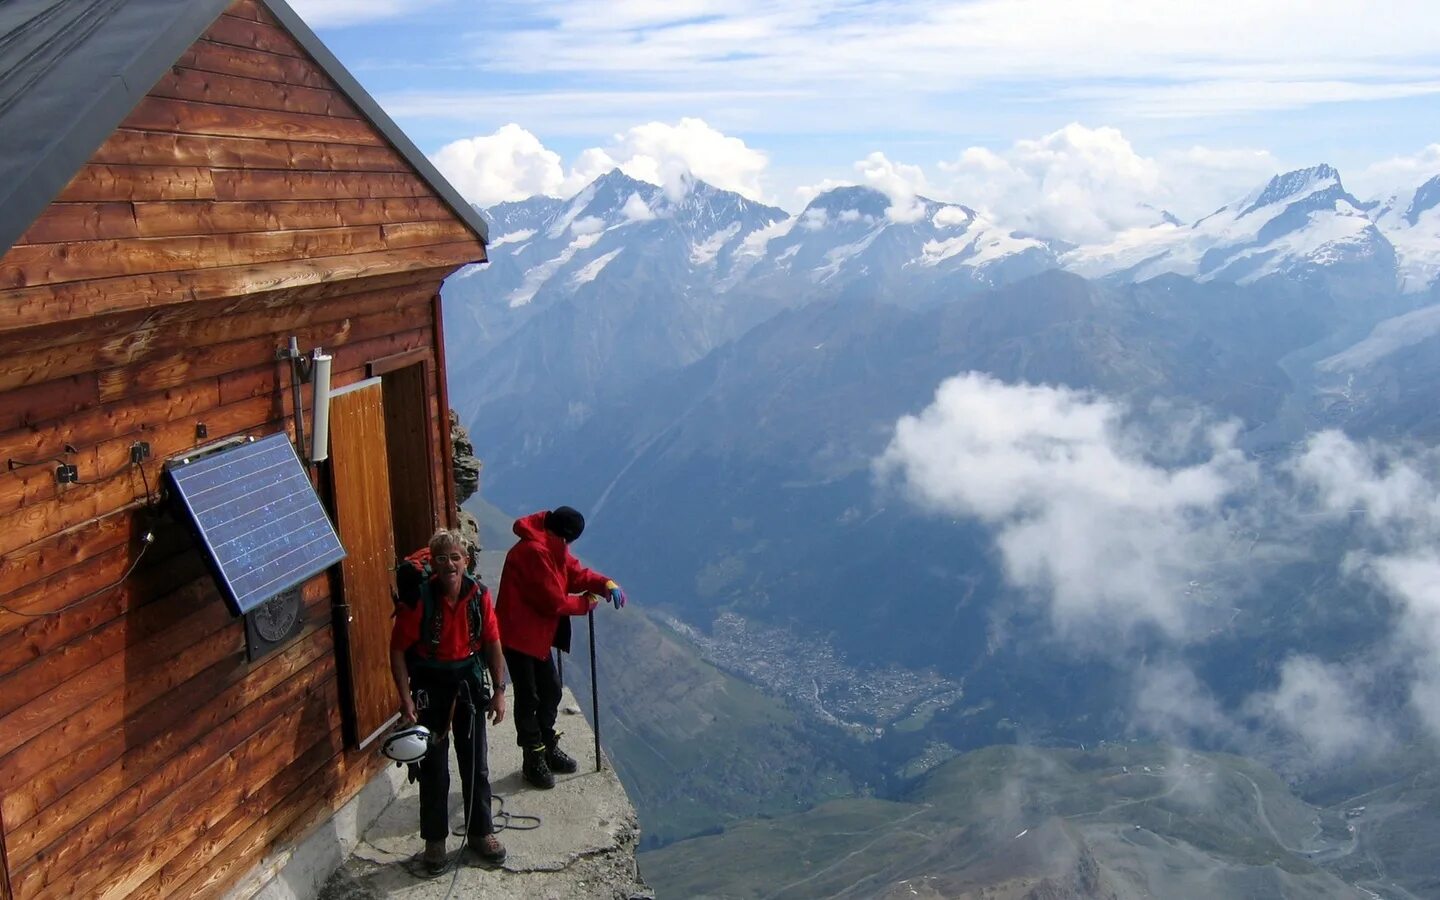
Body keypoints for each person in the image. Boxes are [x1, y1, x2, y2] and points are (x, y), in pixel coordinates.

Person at [390, 528, 508, 874]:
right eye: (442, 558)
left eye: (455, 557)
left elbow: (493, 642)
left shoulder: (479, 596)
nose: (449, 564)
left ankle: (480, 831)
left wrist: (499, 690)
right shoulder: (419, 600)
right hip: (431, 685)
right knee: (433, 768)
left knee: (476, 763)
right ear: (434, 563)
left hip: (469, 684)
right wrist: (405, 699)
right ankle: (435, 842)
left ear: (466, 561)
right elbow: (397, 650)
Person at [497, 506, 626, 789]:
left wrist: (605, 583)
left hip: (536, 636)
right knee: (529, 697)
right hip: (519, 636)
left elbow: (574, 573)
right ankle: (533, 757)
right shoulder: (535, 552)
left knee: (551, 690)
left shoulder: (550, 545)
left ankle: (545, 744)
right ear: (565, 536)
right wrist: (587, 603)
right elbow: (553, 600)